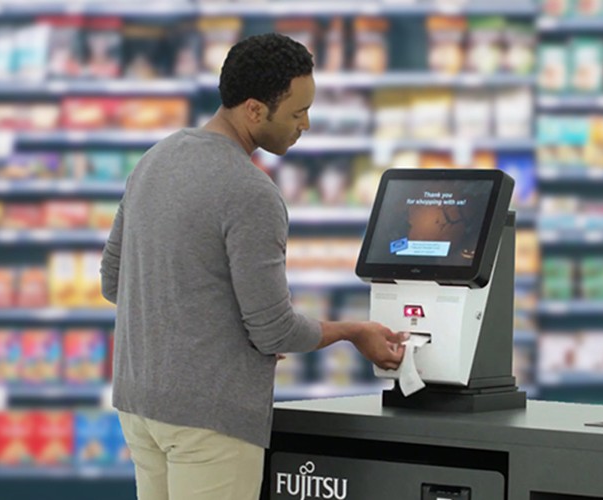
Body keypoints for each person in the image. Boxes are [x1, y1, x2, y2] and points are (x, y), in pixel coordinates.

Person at [100, 33, 407, 500]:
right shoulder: (251, 192)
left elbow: (112, 281)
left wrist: (221, 330)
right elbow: (273, 331)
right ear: (254, 110)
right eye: (297, 112)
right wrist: (352, 331)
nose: (306, 124)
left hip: (140, 407)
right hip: (210, 419)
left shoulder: (154, 160)